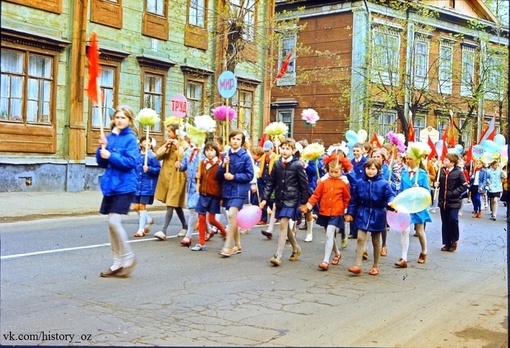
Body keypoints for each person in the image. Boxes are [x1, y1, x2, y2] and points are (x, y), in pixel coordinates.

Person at [96, 105, 139, 278]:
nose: (120, 120)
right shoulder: (109, 137)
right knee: (111, 225)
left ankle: (128, 258)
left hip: (125, 185)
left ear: (129, 120)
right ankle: (116, 263)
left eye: (123, 117)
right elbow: (102, 163)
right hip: (110, 185)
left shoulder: (131, 139)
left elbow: (130, 162)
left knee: (114, 222)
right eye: (117, 117)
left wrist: (111, 156)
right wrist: (101, 149)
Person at [260, 138, 310, 266]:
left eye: (288, 148)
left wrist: (305, 203)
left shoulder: (297, 165)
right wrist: (264, 198)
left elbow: (304, 185)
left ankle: (278, 255)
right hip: (280, 198)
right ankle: (296, 248)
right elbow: (270, 182)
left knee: (283, 224)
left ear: (293, 151)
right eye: (283, 148)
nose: (284, 151)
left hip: (292, 199)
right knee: (285, 226)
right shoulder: (276, 164)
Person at [345, 159, 395, 276]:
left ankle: (375, 265)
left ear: (378, 170)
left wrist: (391, 203)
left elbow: (390, 196)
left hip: (378, 214)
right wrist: (350, 213)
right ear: (364, 169)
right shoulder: (359, 183)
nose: (370, 171)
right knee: (360, 238)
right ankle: (357, 265)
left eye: (373, 169)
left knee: (376, 241)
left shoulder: (384, 184)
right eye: (368, 168)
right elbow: (354, 200)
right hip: (363, 213)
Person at [301, 154, 351, 271]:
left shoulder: (344, 183)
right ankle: (337, 253)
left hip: (337, 212)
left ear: (341, 170)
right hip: (324, 211)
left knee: (329, 234)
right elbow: (316, 195)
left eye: (336, 172)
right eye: (331, 171)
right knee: (329, 235)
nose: (333, 174)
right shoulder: (323, 181)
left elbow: (347, 198)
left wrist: (346, 211)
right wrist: (308, 206)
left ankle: (325, 261)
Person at [217, 130, 254, 257]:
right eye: (233, 138)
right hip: (227, 190)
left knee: (232, 215)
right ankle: (237, 245)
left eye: (238, 139)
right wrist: (223, 165)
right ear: (229, 140)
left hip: (240, 190)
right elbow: (218, 176)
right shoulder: (225, 155)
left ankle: (227, 246)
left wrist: (233, 176)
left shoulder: (245, 157)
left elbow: (249, 175)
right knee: (233, 218)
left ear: (242, 142)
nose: (235, 141)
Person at [394, 151, 432, 268]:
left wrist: (419, 188)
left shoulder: (422, 174)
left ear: (417, 160)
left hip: (418, 205)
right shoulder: (405, 173)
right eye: (406, 159)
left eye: (410, 159)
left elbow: (427, 191)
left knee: (419, 230)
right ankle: (404, 258)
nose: (407, 161)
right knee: (404, 230)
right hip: (406, 205)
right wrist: (397, 202)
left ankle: (424, 251)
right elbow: (401, 190)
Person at [153, 123, 188, 240]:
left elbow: (184, 157)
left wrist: (178, 146)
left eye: (170, 131)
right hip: (167, 178)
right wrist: (166, 146)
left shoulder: (184, 144)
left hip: (178, 178)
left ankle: (163, 230)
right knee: (175, 204)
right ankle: (185, 226)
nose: (168, 133)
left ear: (176, 132)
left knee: (171, 203)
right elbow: (157, 156)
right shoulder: (167, 143)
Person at [191, 142, 228, 251]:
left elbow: (222, 182)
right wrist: (197, 177)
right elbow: (200, 179)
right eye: (207, 150)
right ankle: (201, 242)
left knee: (211, 220)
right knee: (201, 217)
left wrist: (222, 197)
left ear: (216, 151)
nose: (209, 153)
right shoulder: (202, 163)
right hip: (203, 193)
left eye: (212, 150)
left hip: (214, 194)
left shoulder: (220, 164)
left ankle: (226, 233)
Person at [435, 153, 468, 252]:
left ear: (452, 163)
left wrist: (453, 193)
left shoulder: (458, 172)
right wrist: (435, 183)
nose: (444, 161)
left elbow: (464, 185)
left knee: (453, 220)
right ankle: (446, 243)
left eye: (446, 160)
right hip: (443, 201)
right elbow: (437, 183)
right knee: (445, 222)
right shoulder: (441, 171)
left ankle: (454, 240)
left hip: (454, 201)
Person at [133, 136, 161, 237]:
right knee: (135, 207)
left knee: (142, 206)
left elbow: (158, 169)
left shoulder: (153, 156)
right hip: (137, 184)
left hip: (147, 184)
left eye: (149, 141)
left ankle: (141, 229)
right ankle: (148, 219)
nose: (147, 143)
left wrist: (149, 169)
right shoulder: (137, 155)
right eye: (145, 141)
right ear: (140, 143)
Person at [178, 139, 201, 247]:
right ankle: (189, 235)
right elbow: (183, 167)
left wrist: (202, 174)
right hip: (191, 186)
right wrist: (179, 165)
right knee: (193, 209)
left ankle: (213, 228)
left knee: (204, 211)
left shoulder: (205, 152)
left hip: (202, 186)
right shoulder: (188, 152)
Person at [257, 140, 280, 239]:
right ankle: (269, 229)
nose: (266, 152)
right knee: (269, 204)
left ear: (272, 149)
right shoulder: (263, 158)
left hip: (276, 185)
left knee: (275, 206)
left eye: (268, 150)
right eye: (265, 151)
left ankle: (291, 231)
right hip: (266, 183)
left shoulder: (277, 159)